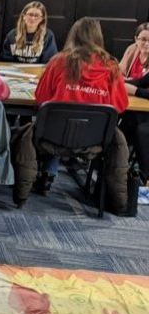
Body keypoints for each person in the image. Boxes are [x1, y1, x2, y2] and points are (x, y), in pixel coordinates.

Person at [34, 17, 128, 188]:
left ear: (73, 35)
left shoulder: (59, 61)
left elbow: (41, 97)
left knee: (46, 120)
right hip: (94, 138)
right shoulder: (111, 66)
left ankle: (45, 173)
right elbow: (120, 105)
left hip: (53, 134)